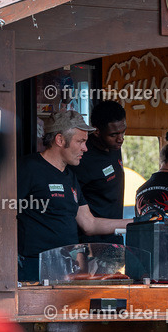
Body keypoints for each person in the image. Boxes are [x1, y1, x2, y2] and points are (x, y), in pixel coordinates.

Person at [16, 110, 132, 281]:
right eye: (81, 141)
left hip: (67, 270)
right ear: (60, 140)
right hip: (34, 270)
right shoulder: (28, 168)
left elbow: (89, 224)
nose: (85, 148)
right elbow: (3, 214)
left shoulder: (70, 176)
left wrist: (136, 222)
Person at [73, 100, 127, 242]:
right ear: (96, 131)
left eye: (123, 132)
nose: (120, 139)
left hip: (115, 234)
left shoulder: (115, 147)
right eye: (114, 134)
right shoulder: (82, 158)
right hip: (91, 242)